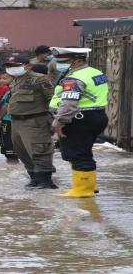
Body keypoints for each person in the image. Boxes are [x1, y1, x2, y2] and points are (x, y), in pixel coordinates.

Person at [49, 47, 109, 198]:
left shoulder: (74, 78)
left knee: (77, 154)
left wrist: (58, 122)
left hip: (78, 119)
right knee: (84, 151)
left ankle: (83, 189)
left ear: (78, 61)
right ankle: (90, 185)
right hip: (97, 116)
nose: (59, 64)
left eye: (64, 61)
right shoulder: (95, 72)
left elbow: (69, 103)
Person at [5, 56, 58, 189]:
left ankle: (45, 181)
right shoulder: (16, 80)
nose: (11, 68)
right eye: (9, 66)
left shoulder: (40, 79)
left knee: (39, 150)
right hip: (16, 122)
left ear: (28, 66)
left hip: (35, 121)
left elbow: (53, 99)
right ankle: (34, 178)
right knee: (21, 150)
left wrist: (55, 120)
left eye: (15, 65)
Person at [0, 71, 19, 164]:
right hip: (10, 120)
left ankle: (12, 165)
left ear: (14, 78)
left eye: (5, 78)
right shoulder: (9, 90)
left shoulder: (13, 90)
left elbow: (7, 105)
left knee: (8, 144)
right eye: (1, 78)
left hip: (8, 120)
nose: (2, 80)